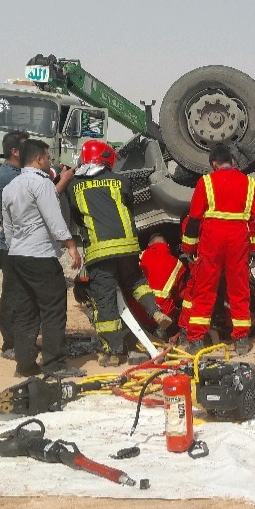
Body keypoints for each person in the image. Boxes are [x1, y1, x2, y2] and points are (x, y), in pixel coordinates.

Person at [66, 140, 171, 365]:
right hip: (128, 246)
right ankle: (154, 310)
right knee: (136, 281)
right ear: (107, 159)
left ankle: (114, 352)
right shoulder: (120, 180)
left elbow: (76, 219)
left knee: (104, 301)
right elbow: (128, 205)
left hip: (100, 251)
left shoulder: (73, 186)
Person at [1, 138, 81, 378]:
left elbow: (8, 227)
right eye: (47, 157)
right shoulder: (41, 182)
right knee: (53, 309)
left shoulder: (10, 186)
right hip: (41, 255)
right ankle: (55, 363)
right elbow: (53, 218)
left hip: (17, 255)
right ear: (39, 159)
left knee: (25, 310)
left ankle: (24, 364)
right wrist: (70, 246)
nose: (49, 161)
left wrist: (15, 246)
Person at [177, 143, 255, 355]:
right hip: (238, 240)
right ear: (232, 162)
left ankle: (196, 338)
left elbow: (195, 218)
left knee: (204, 288)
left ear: (214, 164)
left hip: (212, 240)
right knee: (239, 289)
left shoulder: (205, 182)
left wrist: (188, 246)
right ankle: (242, 339)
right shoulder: (250, 183)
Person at [139, 233, 187, 326]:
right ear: (167, 245)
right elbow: (180, 294)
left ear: (149, 245)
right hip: (164, 316)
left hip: (138, 314)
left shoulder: (139, 257)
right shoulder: (177, 264)